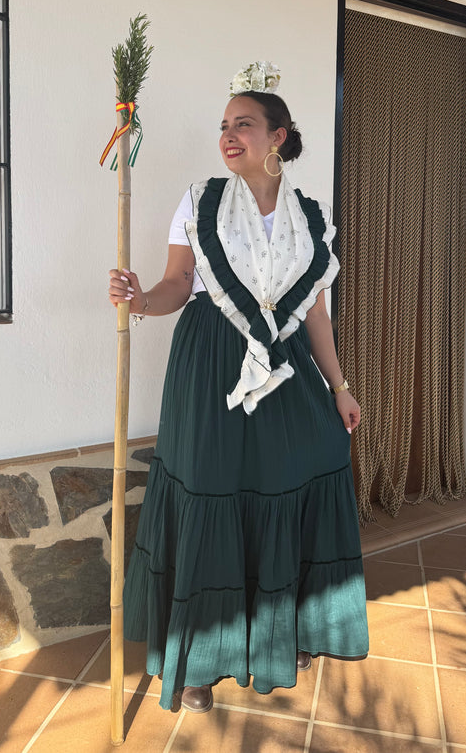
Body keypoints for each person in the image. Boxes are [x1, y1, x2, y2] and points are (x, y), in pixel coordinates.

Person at [108, 61, 369, 714]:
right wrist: (138, 299)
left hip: (283, 369)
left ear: (277, 136)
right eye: (223, 126)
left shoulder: (311, 216)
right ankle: (197, 663)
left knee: (304, 471)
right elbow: (174, 286)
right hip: (211, 364)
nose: (228, 135)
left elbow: (313, 312)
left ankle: (291, 627)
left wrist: (338, 385)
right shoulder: (197, 202)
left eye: (243, 124)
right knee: (211, 493)